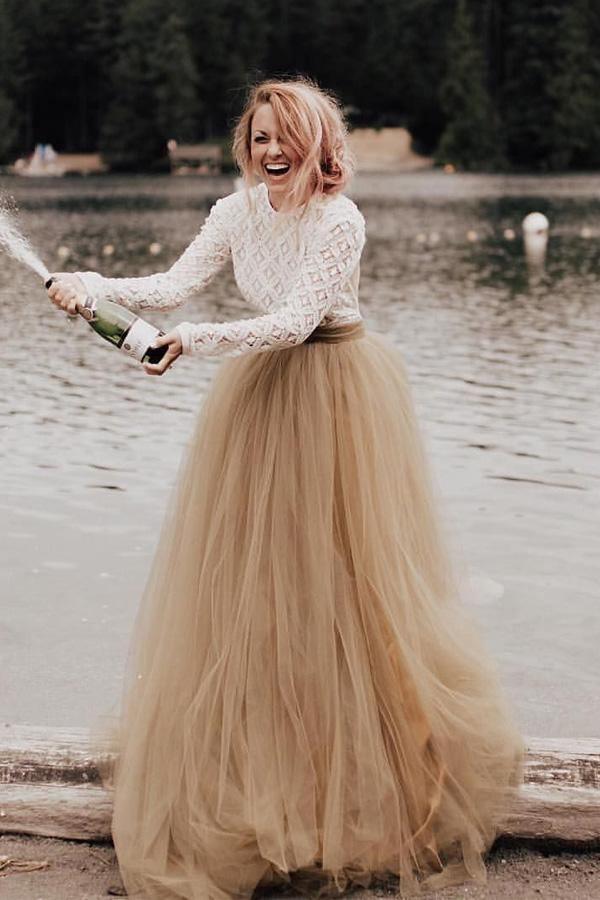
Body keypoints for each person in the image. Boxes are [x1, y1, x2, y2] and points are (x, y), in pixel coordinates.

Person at [47, 76, 525, 899]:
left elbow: (295, 322)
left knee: (348, 585)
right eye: (260, 137)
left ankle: (381, 777)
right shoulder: (234, 212)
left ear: (319, 145)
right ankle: (266, 770)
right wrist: (91, 285)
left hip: (337, 395)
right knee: (257, 588)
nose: (272, 151)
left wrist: (191, 342)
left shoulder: (340, 220)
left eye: (286, 137)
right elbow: (170, 286)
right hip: (261, 398)